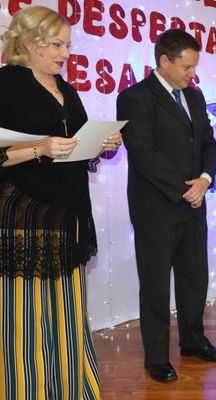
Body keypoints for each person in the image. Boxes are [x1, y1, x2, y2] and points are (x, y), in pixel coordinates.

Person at [0, 6, 121, 398]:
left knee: (66, 314)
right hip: (23, 214)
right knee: (23, 319)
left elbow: (74, 149)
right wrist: (39, 148)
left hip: (67, 214)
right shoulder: (6, 84)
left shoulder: (66, 89)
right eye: (56, 44)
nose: (64, 53)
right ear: (29, 42)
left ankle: (70, 388)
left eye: (67, 45)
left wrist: (100, 146)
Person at [116, 29, 216, 383]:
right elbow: (144, 154)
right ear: (164, 61)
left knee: (195, 279)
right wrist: (184, 190)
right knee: (156, 286)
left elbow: (209, 143)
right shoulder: (134, 97)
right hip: (157, 208)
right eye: (186, 66)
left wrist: (205, 180)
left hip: (194, 202)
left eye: (194, 66)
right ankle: (157, 357)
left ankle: (193, 341)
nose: (192, 73)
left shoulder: (194, 97)